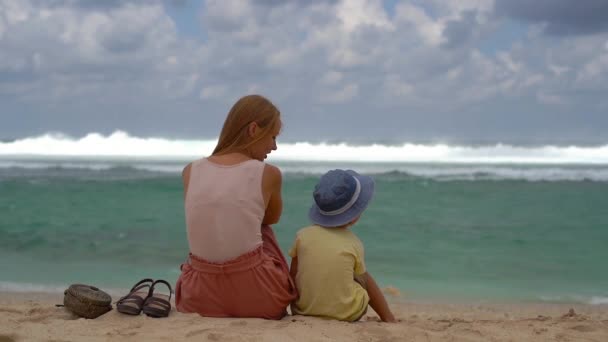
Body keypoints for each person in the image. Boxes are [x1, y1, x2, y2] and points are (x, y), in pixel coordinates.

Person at [175, 94, 296, 319]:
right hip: (260, 298)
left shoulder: (191, 170)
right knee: (264, 231)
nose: (275, 147)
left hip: (198, 298)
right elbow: (271, 218)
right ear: (253, 130)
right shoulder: (268, 173)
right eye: (272, 136)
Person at [288, 169, 396, 322]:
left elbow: (293, 275)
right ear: (353, 217)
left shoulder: (302, 235)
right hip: (347, 314)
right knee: (362, 277)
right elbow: (364, 281)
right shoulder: (353, 243)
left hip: (303, 311)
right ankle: (388, 317)